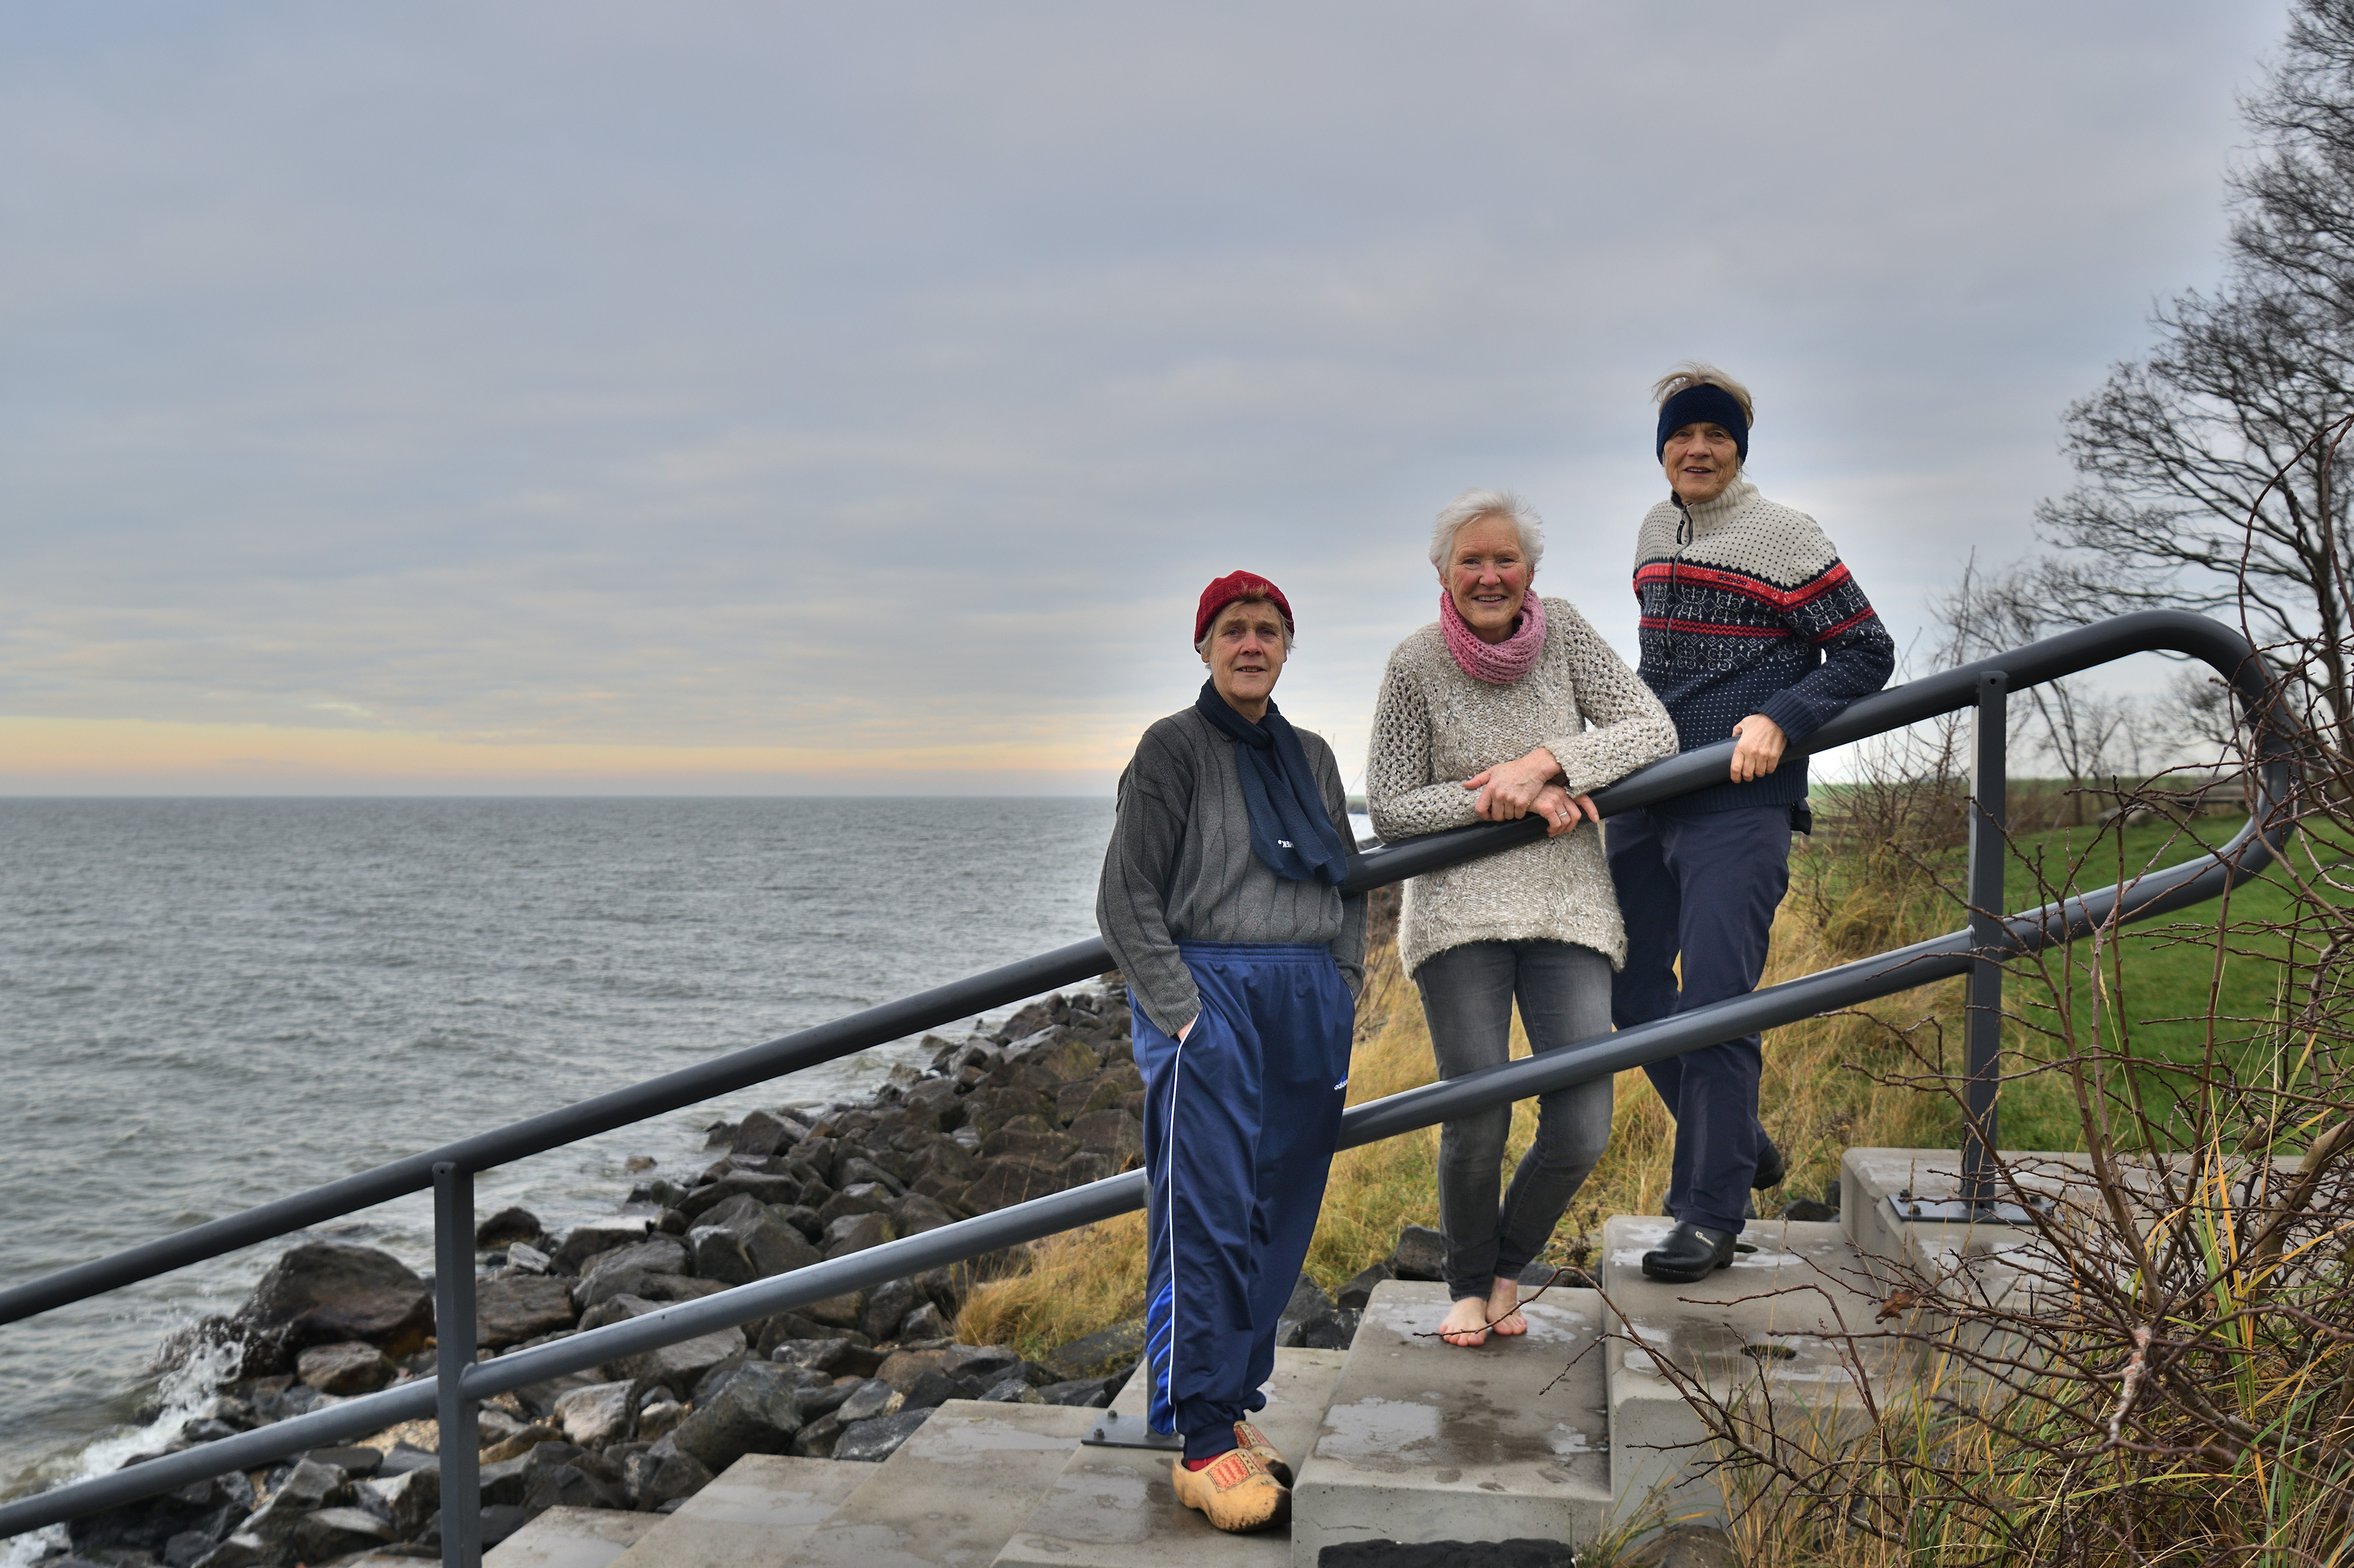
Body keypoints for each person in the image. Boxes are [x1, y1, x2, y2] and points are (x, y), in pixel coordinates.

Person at [1365, 490, 1676, 1346]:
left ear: (1531, 571)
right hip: (1457, 916)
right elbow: (1391, 807)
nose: (1490, 575)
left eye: (1506, 560)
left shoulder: (1568, 632)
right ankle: (1469, 1284)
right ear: (1443, 572)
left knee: (1582, 1123)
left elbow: (1652, 729)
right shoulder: (1414, 662)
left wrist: (1550, 762)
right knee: (1480, 1114)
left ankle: (1508, 1267)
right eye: (1472, 560)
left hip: (1568, 907)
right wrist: (1509, 797)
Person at [1608, 364, 1895, 1284]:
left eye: (1715, 438)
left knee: (1715, 1003)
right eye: (1682, 437)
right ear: (1662, 450)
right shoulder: (1656, 531)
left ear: (1738, 449)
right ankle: (1738, 1140)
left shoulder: (1786, 535)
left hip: (1738, 802)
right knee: (1626, 987)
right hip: (1650, 793)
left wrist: (1784, 717)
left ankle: (1710, 1211)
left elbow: (1866, 648)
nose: (1697, 450)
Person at [1096, 570, 1367, 1535]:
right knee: (1206, 1212)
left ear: (1287, 646)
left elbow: (1350, 882)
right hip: (1208, 998)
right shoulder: (1172, 748)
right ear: (1205, 646)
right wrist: (1183, 1016)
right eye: (1233, 630)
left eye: (1268, 630)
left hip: (1303, 999)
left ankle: (1236, 1404)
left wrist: (1343, 984)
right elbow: (1125, 899)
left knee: (1282, 1208)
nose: (1251, 644)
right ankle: (1201, 1436)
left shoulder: (1316, 755)